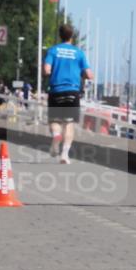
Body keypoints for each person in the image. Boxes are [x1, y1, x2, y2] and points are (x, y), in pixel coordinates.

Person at [43, 22, 93, 164]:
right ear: (72, 36)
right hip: (72, 90)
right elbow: (89, 74)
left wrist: (50, 72)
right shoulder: (79, 53)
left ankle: (56, 135)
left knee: (55, 121)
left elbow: (46, 70)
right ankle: (64, 154)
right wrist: (82, 74)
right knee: (69, 123)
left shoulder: (53, 50)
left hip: (56, 90)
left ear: (60, 35)